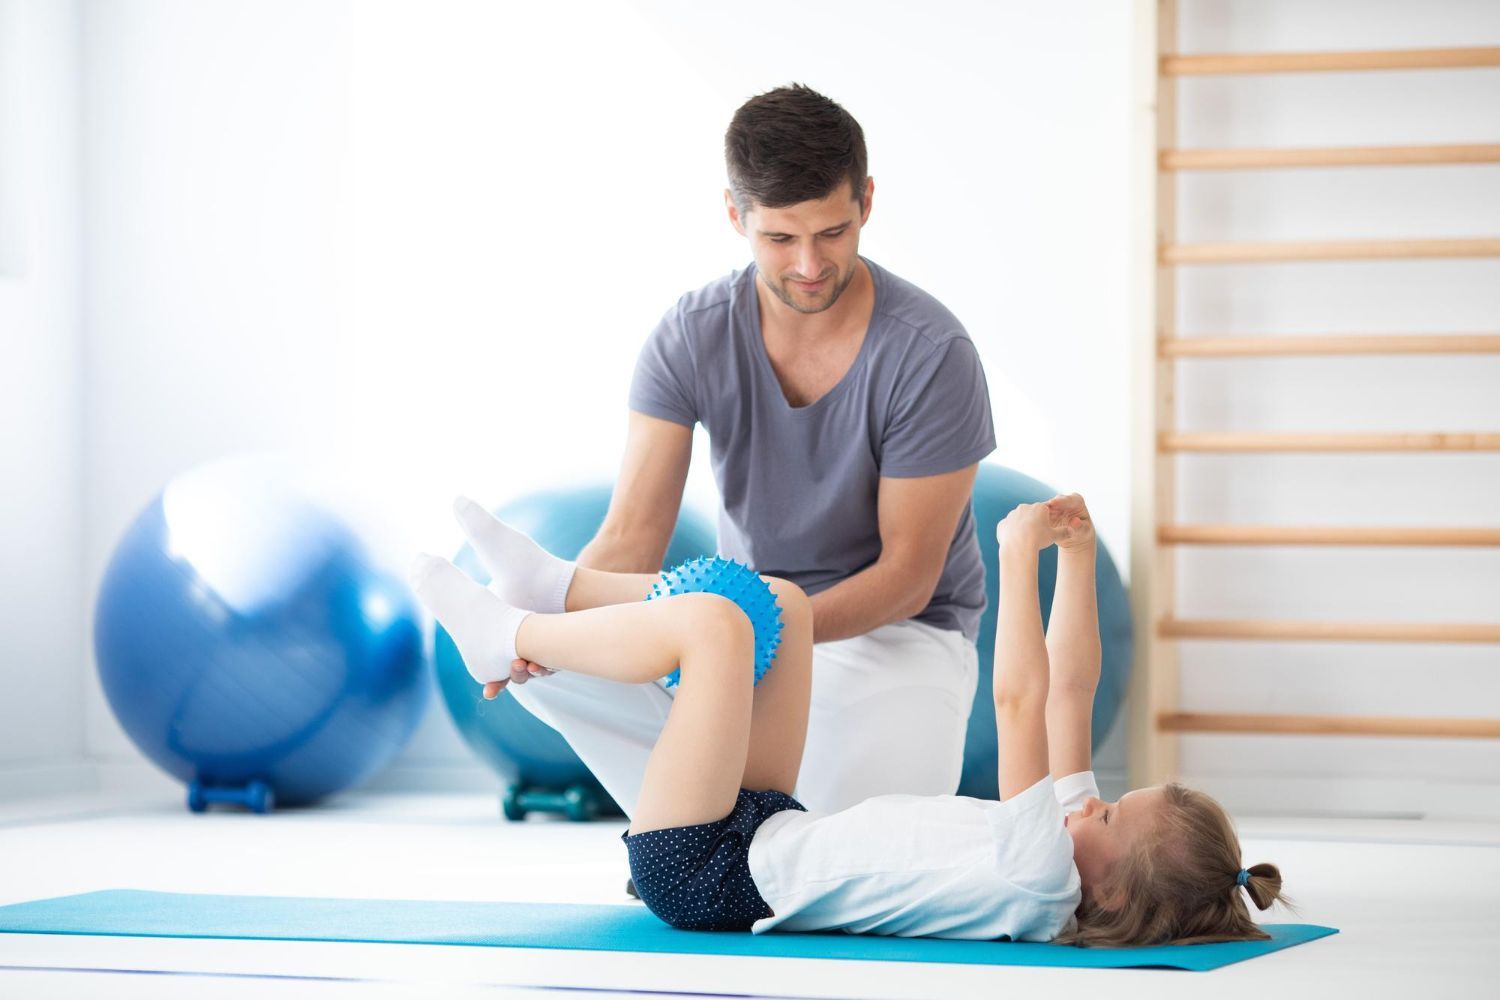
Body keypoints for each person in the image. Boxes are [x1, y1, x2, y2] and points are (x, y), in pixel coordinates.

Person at [411, 493, 1290, 945]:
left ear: (1109, 894)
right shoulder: (1075, 844)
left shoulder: (1040, 879)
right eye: (1109, 798)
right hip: (764, 827)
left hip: (708, 877)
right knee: (782, 609)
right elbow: (1070, 692)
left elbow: (1020, 699)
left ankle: (512, 635)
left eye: (1105, 816)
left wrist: (1017, 559)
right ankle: (556, 589)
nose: (1089, 804)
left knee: (713, 628)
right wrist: (1080, 554)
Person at [492, 83, 997, 817]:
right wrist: (566, 640)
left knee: (844, 844)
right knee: (556, 669)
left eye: (831, 232)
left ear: (866, 202)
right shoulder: (692, 333)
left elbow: (907, 578)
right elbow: (633, 537)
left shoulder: (930, 352)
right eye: (780, 239)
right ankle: (703, 822)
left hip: (896, 638)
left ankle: (711, 817)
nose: (809, 265)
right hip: (736, 630)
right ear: (736, 215)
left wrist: (754, 638)